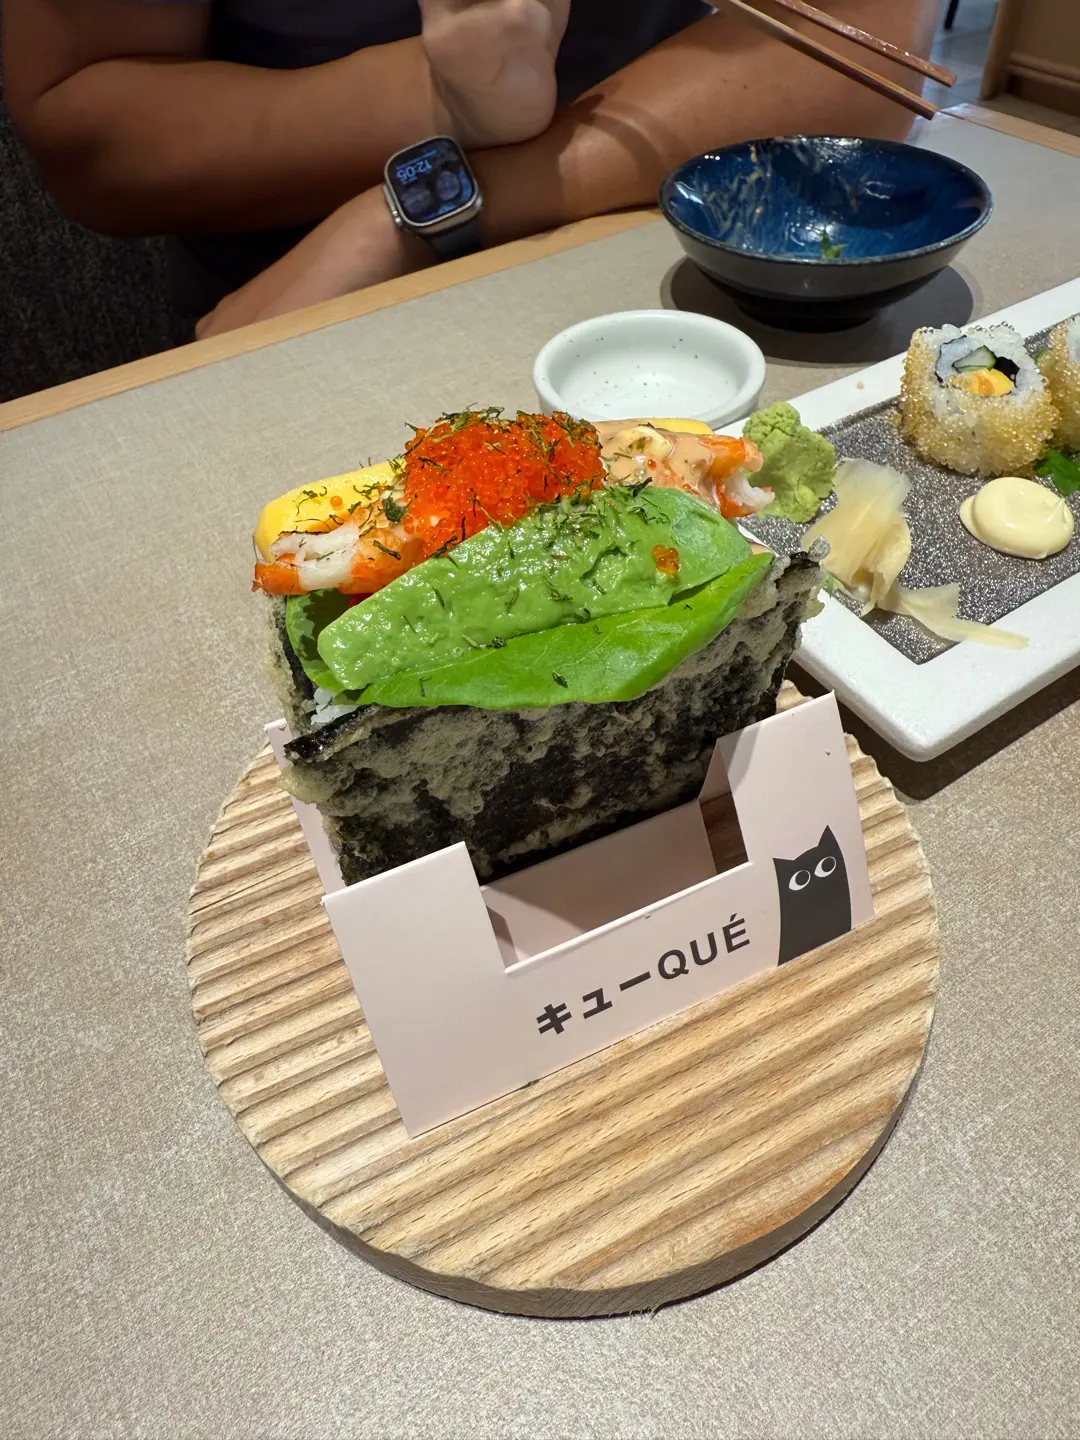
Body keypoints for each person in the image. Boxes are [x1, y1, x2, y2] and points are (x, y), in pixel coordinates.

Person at [4, 0, 937, 339]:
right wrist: (446, 98)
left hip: (682, 262)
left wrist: (419, 210)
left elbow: (866, 43)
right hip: (307, 319)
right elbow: (94, 137)